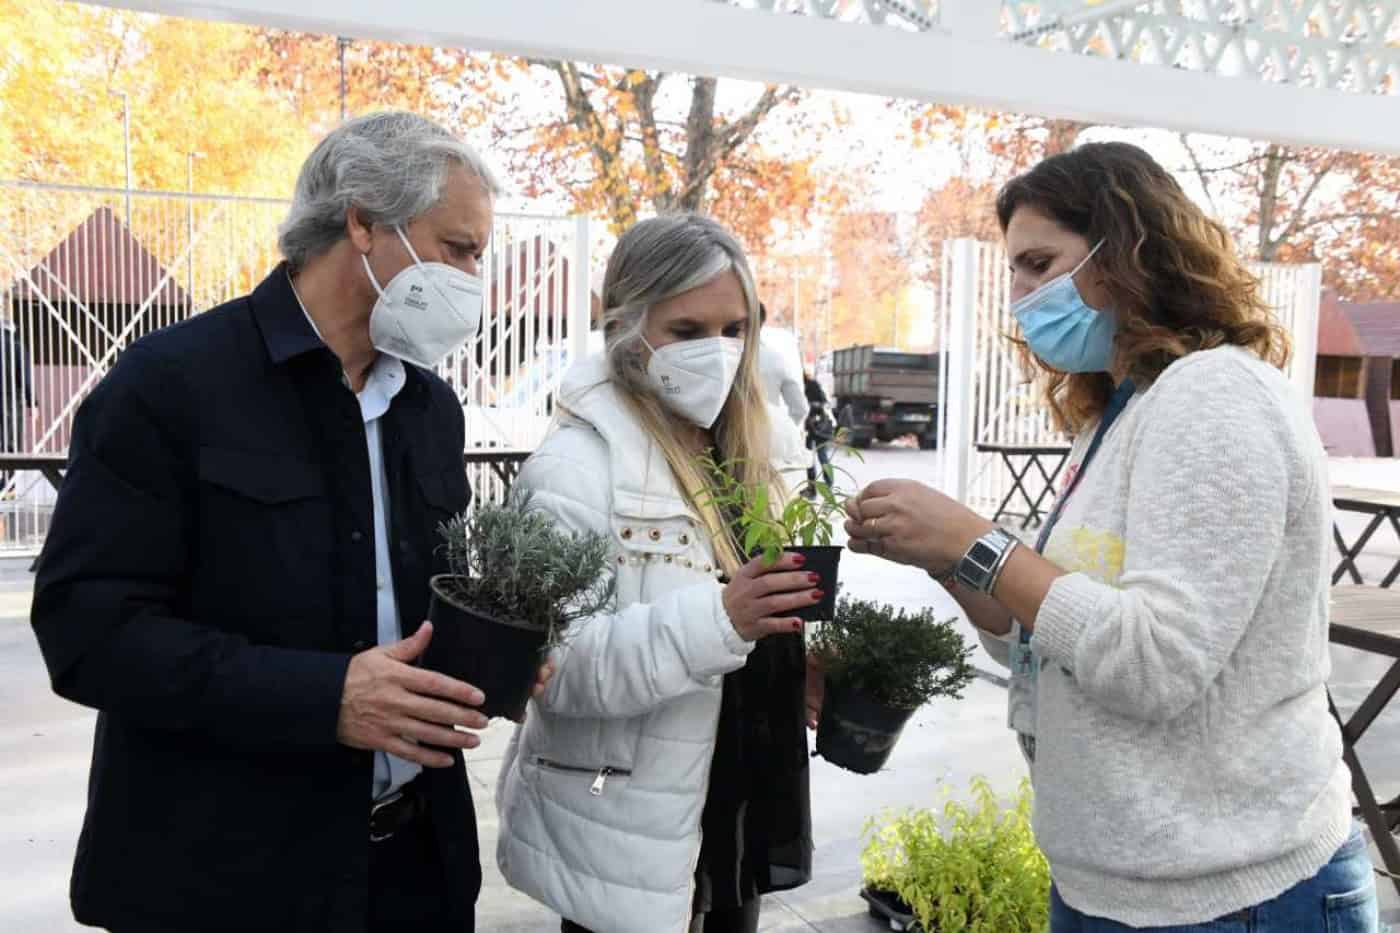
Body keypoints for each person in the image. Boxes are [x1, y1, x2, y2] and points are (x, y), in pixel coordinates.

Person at [30, 112, 546, 933]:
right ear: (363, 223)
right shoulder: (170, 388)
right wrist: (323, 695)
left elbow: (408, 595)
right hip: (227, 879)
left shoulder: (428, 406)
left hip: (414, 868)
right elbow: (86, 630)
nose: (475, 277)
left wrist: (495, 646)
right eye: (459, 248)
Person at [845, 142, 1377, 932]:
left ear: (1127, 250)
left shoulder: (1217, 396)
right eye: (1014, 274)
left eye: (1038, 263)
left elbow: (1155, 662)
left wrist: (979, 542)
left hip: (1237, 897)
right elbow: (1048, 636)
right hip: (1114, 886)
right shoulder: (1122, 410)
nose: (1020, 296)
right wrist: (947, 557)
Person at [496, 214, 820, 933]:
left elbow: (760, 616)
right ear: (626, 327)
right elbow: (558, 670)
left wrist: (800, 663)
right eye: (688, 329)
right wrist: (722, 618)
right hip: (626, 824)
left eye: (736, 328)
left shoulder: (756, 456)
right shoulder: (574, 469)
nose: (719, 351)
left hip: (738, 805)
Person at [756, 302, 809, 469]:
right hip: (767, 448)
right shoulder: (776, 360)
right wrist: (781, 431)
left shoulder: (725, 359)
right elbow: (800, 408)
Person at [802, 370, 835, 492]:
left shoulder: (811, 384)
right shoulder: (799, 385)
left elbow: (824, 402)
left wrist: (809, 406)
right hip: (808, 427)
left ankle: (829, 485)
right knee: (809, 458)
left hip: (819, 426)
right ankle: (812, 487)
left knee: (822, 457)